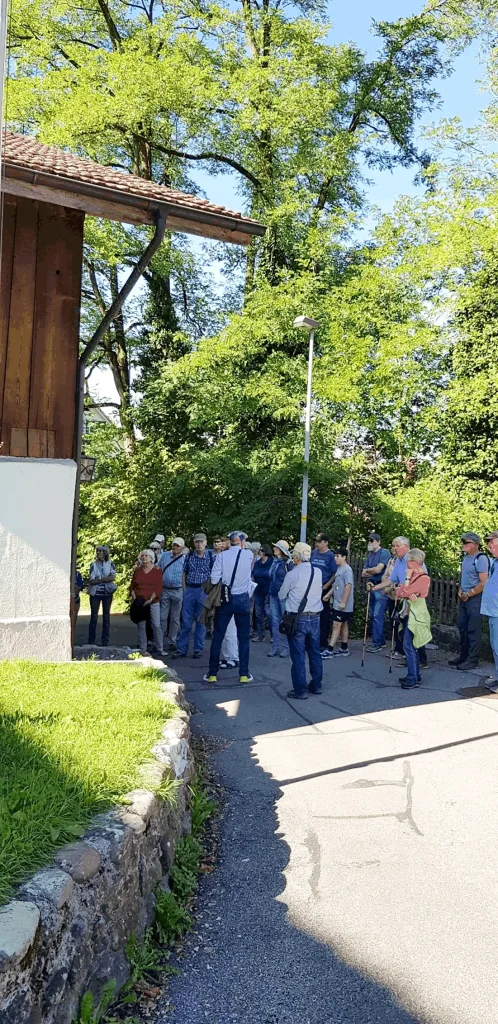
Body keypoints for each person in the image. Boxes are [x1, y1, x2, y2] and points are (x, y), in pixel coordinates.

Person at [204, 531, 254, 685]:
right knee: (243, 638)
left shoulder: (221, 556)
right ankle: (244, 674)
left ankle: (212, 674)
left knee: (218, 635)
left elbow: (214, 579)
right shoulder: (249, 555)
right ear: (242, 542)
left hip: (225, 598)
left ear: (229, 542)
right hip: (243, 599)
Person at [371, 537, 429, 670]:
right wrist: (375, 587)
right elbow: (391, 579)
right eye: (393, 545)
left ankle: (421, 660)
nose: (395, 548)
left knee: (414, 630)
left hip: (415, 601)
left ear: (406, 547)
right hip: (404, 600)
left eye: (397, 546)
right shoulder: (398, 561)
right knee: (404, 630)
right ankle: (410, 659)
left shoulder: (414, 560)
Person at [278, 542, 323, 700]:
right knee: (315, 652)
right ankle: (316, 685)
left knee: (298, 656)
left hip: (298, 618)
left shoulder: (292, 574)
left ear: (296, 558)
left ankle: (300, 690)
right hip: (315, 616)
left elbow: (281, 595)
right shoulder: (318, 572)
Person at [448, 532, 489, 671]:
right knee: (462, 626)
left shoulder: (480, 559)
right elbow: (464, 577)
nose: (463, 545)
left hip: (475, 598)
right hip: (464, 597)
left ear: (475, 544)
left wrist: (469, 593)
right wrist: (461, 590)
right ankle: (464, 656)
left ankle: (473, 659)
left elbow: (484, 582)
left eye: (466, 542)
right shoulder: (466, 558)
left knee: (473, 629)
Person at [173, 533, 214, 659]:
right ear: (194, 543)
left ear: (206, 542)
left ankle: (198, 649)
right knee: (186, 622)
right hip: (190, 589)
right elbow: (184, 573)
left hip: (204, 591)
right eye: (197, 542)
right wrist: (185, 590)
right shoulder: (189, 556)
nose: (199, 544)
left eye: (201, 541)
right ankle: (181, 649)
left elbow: (215, 575)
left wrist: (211, 594)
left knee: (201, 622)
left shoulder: (211, 556)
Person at [395, 549, 431, 689]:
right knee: (409, 645)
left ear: (414, 562)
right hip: (409, 614)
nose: (406, 564)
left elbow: (404, 591)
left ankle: (413, 677)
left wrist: (407, 580)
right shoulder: (415, 576)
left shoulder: (423, 578)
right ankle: (415, 674)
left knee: (409, 645)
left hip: (416, 616)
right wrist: (406, 592)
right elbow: (400, 592)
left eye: (408, 561)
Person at [130, 549, 164, 656]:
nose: (144, 557)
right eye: (142, 555)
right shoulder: (137, 571)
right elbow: (132, 587)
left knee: (156, 625)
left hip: (153, 601)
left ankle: (160, 648)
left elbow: (158, 587)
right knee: (141, 625)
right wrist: (135, 599)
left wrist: (150, 600)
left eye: (146, 555)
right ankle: (142, 648)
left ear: (151, 558)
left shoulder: (157, 570)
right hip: (140, 601)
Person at [322, 548, 354, 658]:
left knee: (336, 625)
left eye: (338, 556)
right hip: (337, 602)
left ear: (344, 557)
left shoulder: (347, 570)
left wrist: (343, 602)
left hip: (342, 604)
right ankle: (344, 648)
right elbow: (336, 584)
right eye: (335, 556)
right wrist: (329, 594)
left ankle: (329, 649)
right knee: (343, 624)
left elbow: (348, 586)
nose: (335, 558)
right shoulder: (339, 569)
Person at [362, 533, 391, 652]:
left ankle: (377, 643)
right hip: (372, 584)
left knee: (377, 615)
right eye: (368, 540)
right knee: (372, 615)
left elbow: (379, 570)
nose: (369, 542)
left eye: (372, 541)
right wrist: (372, 570)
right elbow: (363, 573)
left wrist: (370, 570)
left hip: (381, 586)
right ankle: (380, 640)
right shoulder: (370, 555)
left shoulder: (384, 553)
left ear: (378, 542)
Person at [158, 537, 186, 650]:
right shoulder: (165, 556)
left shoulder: (185, 558)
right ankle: (159, 642)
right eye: (174, 545)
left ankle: (172, 641)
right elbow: (158, 570)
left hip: (178, 590)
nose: (175, 547)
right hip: (165, 589)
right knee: (162, 618)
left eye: (178, 546)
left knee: (175, 618)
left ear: (182, 547)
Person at [311, 533, 336, 652]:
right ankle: (311, 641)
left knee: (323, 616)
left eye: (319, 541)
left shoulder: (331, 555)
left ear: (326, 542)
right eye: (316, 541)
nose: (317, 543)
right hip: (312, 587)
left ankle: (323, 642)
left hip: (323, 587)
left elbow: (335, 573)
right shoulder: (313, 553)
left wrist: (326, 586)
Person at [87, 544, 117, 646]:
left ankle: (105, 641)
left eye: (100, 551)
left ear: (105, 553)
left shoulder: (110, 564)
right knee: (94, 616)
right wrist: (105, 579)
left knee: (106, 616)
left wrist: (99, 579)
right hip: (95, 593)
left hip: (107, 593)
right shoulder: (93, 564)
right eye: (97, 551)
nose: (98, 553)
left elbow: (112, 577)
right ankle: (91, 640)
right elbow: (92, 580)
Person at [268, 541, 293, 658]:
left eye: (276, 547)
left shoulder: (288, 563)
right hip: (273, 594)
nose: (274, 548)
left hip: (284, 596)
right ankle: (275, 647)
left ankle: (286, 648)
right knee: (275, 621)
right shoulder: (275, 561)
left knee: (285, 622)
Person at [481, 531, 498, 692]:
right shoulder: (495, 562)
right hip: (493, 611)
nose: (488, 546)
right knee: (495, 646)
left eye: (492, 543)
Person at [251, 543, 273, 641]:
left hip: (268, 590)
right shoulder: (257, 563)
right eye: (259, 550)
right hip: (258, 590)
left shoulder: (272, 562)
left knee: (268, 613)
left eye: (262, 550)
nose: (260, 552)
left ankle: (273, 635)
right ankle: (260, 634)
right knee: (258, 613)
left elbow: (271, 575)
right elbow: (254, 574)